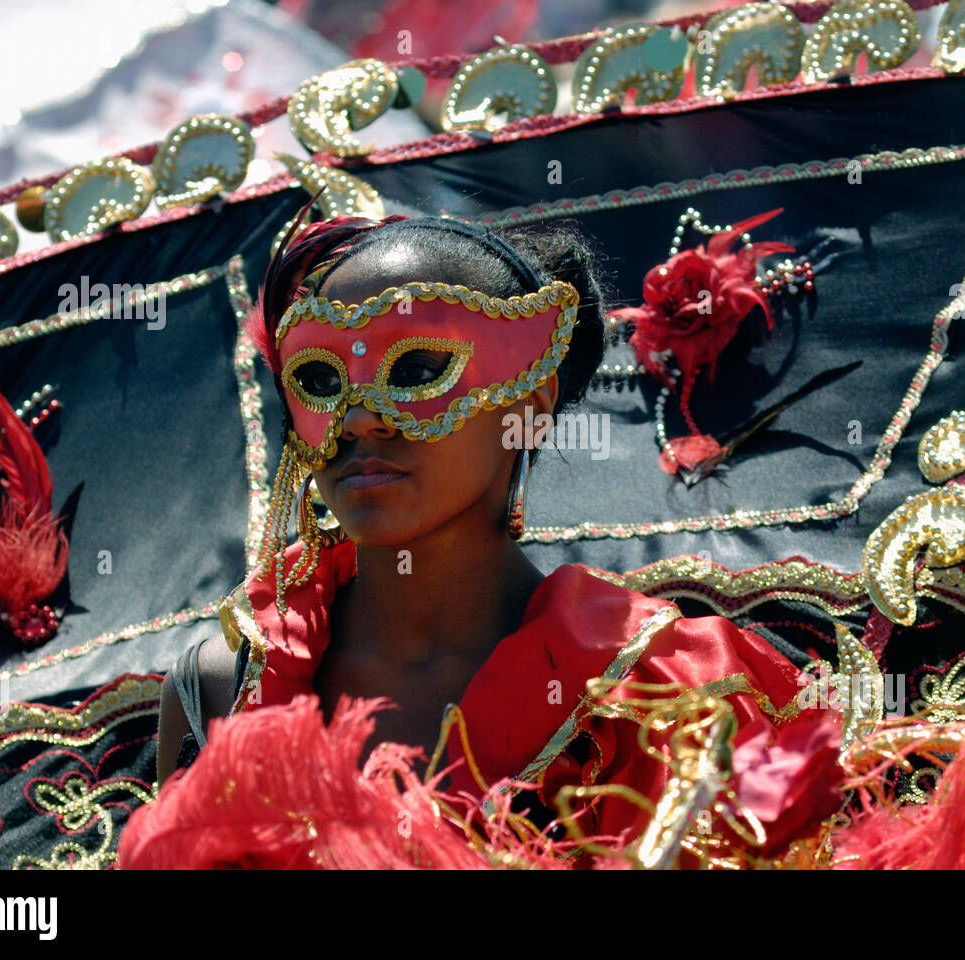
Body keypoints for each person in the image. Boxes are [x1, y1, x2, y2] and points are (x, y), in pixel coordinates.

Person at [145, 209, 820, 864]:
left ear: (528, 405)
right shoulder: (220, 691)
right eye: (320, 381)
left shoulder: (668, 689)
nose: (358, 420)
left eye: (413, 370)